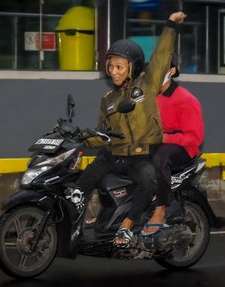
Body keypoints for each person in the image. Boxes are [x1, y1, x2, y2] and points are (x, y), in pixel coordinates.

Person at [73, 11, 187, 248]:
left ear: (132, 67)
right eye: (110, 66)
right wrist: (82, 138)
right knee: (81, 184)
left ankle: (126, 226)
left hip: (139, 155)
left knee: (147, 179)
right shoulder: (108, 99)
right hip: (112, 155)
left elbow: (162, 55)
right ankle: (76, 229)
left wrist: (170, 26)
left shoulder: (147, 84)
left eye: (119, 66)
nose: (113, 71)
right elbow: (102, 133)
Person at [141, 54, 204, 236]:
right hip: (158, 142)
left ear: (172, 71)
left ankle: (160, 211)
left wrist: (164, 138)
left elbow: (194, 138)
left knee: (161, 157)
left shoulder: (186, 99)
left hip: (183, 147)